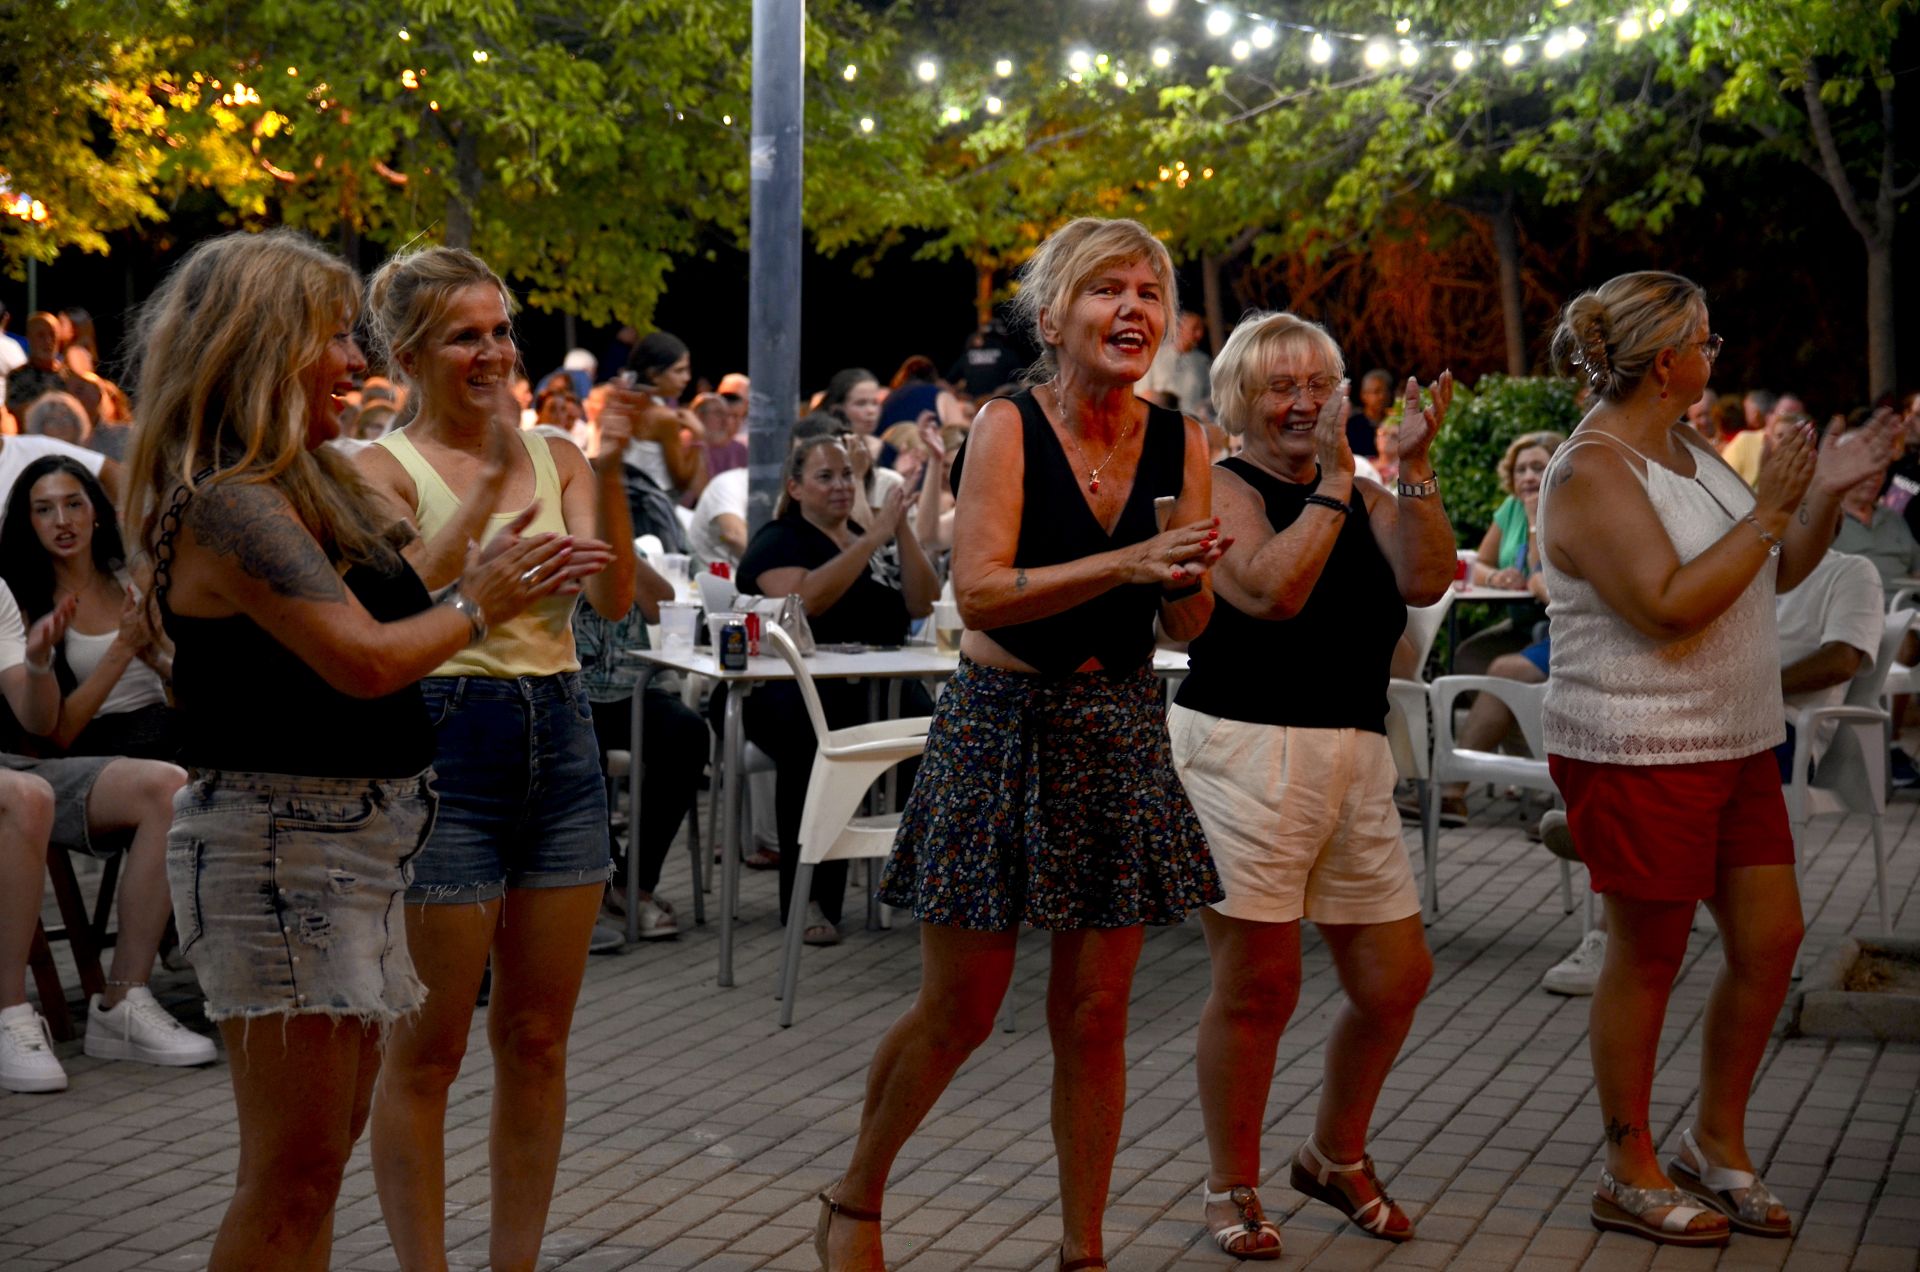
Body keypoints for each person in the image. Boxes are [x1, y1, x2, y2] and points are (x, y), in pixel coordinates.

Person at [119, 229, 567, 1265]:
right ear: (264, 346)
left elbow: (389, 586)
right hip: (282, 853)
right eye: (333, 336)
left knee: (315, 1166)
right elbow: (367, 658)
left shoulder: (291, 482)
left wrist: (490, 497)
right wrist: (481, 603)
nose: (356, 362)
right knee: (291, 1176)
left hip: (341, 849)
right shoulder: (231, 500)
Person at [822, 217, 1228, 1272]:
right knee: (960, 1009)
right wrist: (1133, 562)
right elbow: (981, 593)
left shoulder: (1186, 441)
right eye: (1107, 290)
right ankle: (856, 1199)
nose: (1132, 308)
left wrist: (1185, 587)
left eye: (1150, 290)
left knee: (1096, 1015)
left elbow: (1192, 624)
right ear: (1054, 317)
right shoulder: (1007, 424)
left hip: (1118, 727)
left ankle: (1081, 1251)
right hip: (1000, 728)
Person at [1537, 271, 1897, 1247]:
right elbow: (1666, 602)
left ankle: (1714, 1143)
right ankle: (1628, 1167)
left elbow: (1772, 568)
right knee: (1647, 957)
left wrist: (1819, 491)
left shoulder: (1689, 447)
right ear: (1669, 362)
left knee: (1771, 939)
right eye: (1709, 339)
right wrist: (1774, 510)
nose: (1718, 351)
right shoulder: (1591, 470)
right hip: (1641, 745)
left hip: (1737, 736)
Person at [356, 245, 636, 1272]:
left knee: (536, 1040)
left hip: (558, 734)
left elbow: (613, 603)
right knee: (427, 1050)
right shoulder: (377, 471)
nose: (492, 352)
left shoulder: (556, 454)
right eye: (464, 335)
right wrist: (475, 578)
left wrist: (605, 466)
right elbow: (380, 622)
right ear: (409, 352)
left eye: (500, 330)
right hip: (443, 741)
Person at [1170, 312, 1456, 1258]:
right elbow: (1266, 589)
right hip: (1245, 750)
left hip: (1354, 752)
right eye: (1278, 387)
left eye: (1317, 385)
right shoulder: (1217, 484)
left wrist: (1409, 467)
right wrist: (1337, 479)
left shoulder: (1369, 490)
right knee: (1260, 985)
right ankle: (1231, 1186)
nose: (1301, 403)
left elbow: (1425, 579)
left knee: (1396, 978)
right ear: (1238, 402)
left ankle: (1333, 1155)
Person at [1539, 544, 1886, 997]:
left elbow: (1842, 659)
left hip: (1783, 725)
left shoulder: (1851, 571)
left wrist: (1744, 686)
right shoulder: (1746, 557)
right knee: (1634, 731)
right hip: (1710, 714)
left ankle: (1605, 849)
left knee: (1670, 766)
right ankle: (1611, 837)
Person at [724, 417, 938, 945]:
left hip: (875, 690)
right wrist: (872, 542)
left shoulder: (871, 535)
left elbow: (920, 602)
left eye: (847, 475)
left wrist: (900, 529)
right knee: (813, 748)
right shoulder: (777, 541)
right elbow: (805, 602)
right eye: (826, 477)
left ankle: (920, 876)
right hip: (787, 697)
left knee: (942, 738)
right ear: (795, 489)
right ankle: (810, 897)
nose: (842, 485)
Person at [0, 458, 176, 759]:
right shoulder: (26, 606)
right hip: (104, 751)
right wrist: (123, 647)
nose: (62, 521)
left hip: (172, 728)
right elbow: (57, 736)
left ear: (95, 510)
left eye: (74, 505)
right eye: (44, 509)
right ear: (28, 522)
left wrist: (155, 660)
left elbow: (184, 680)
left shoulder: (133, 577)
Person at [572, 559, 707, 941]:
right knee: (581, 750)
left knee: (688, 733)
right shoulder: (548, 538)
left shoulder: (615, 545)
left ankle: (635, 884)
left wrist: (617, 550)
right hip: (568, 690)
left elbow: (660, 603)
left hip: (636, 688)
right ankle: (604, 882)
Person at [624, 329, 709, 501]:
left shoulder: (623, 401)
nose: (687, 378)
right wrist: (698, 435)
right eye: (679, 371)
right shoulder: (663, 417)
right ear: (654, 375)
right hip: (653, 511)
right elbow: (682, 481)